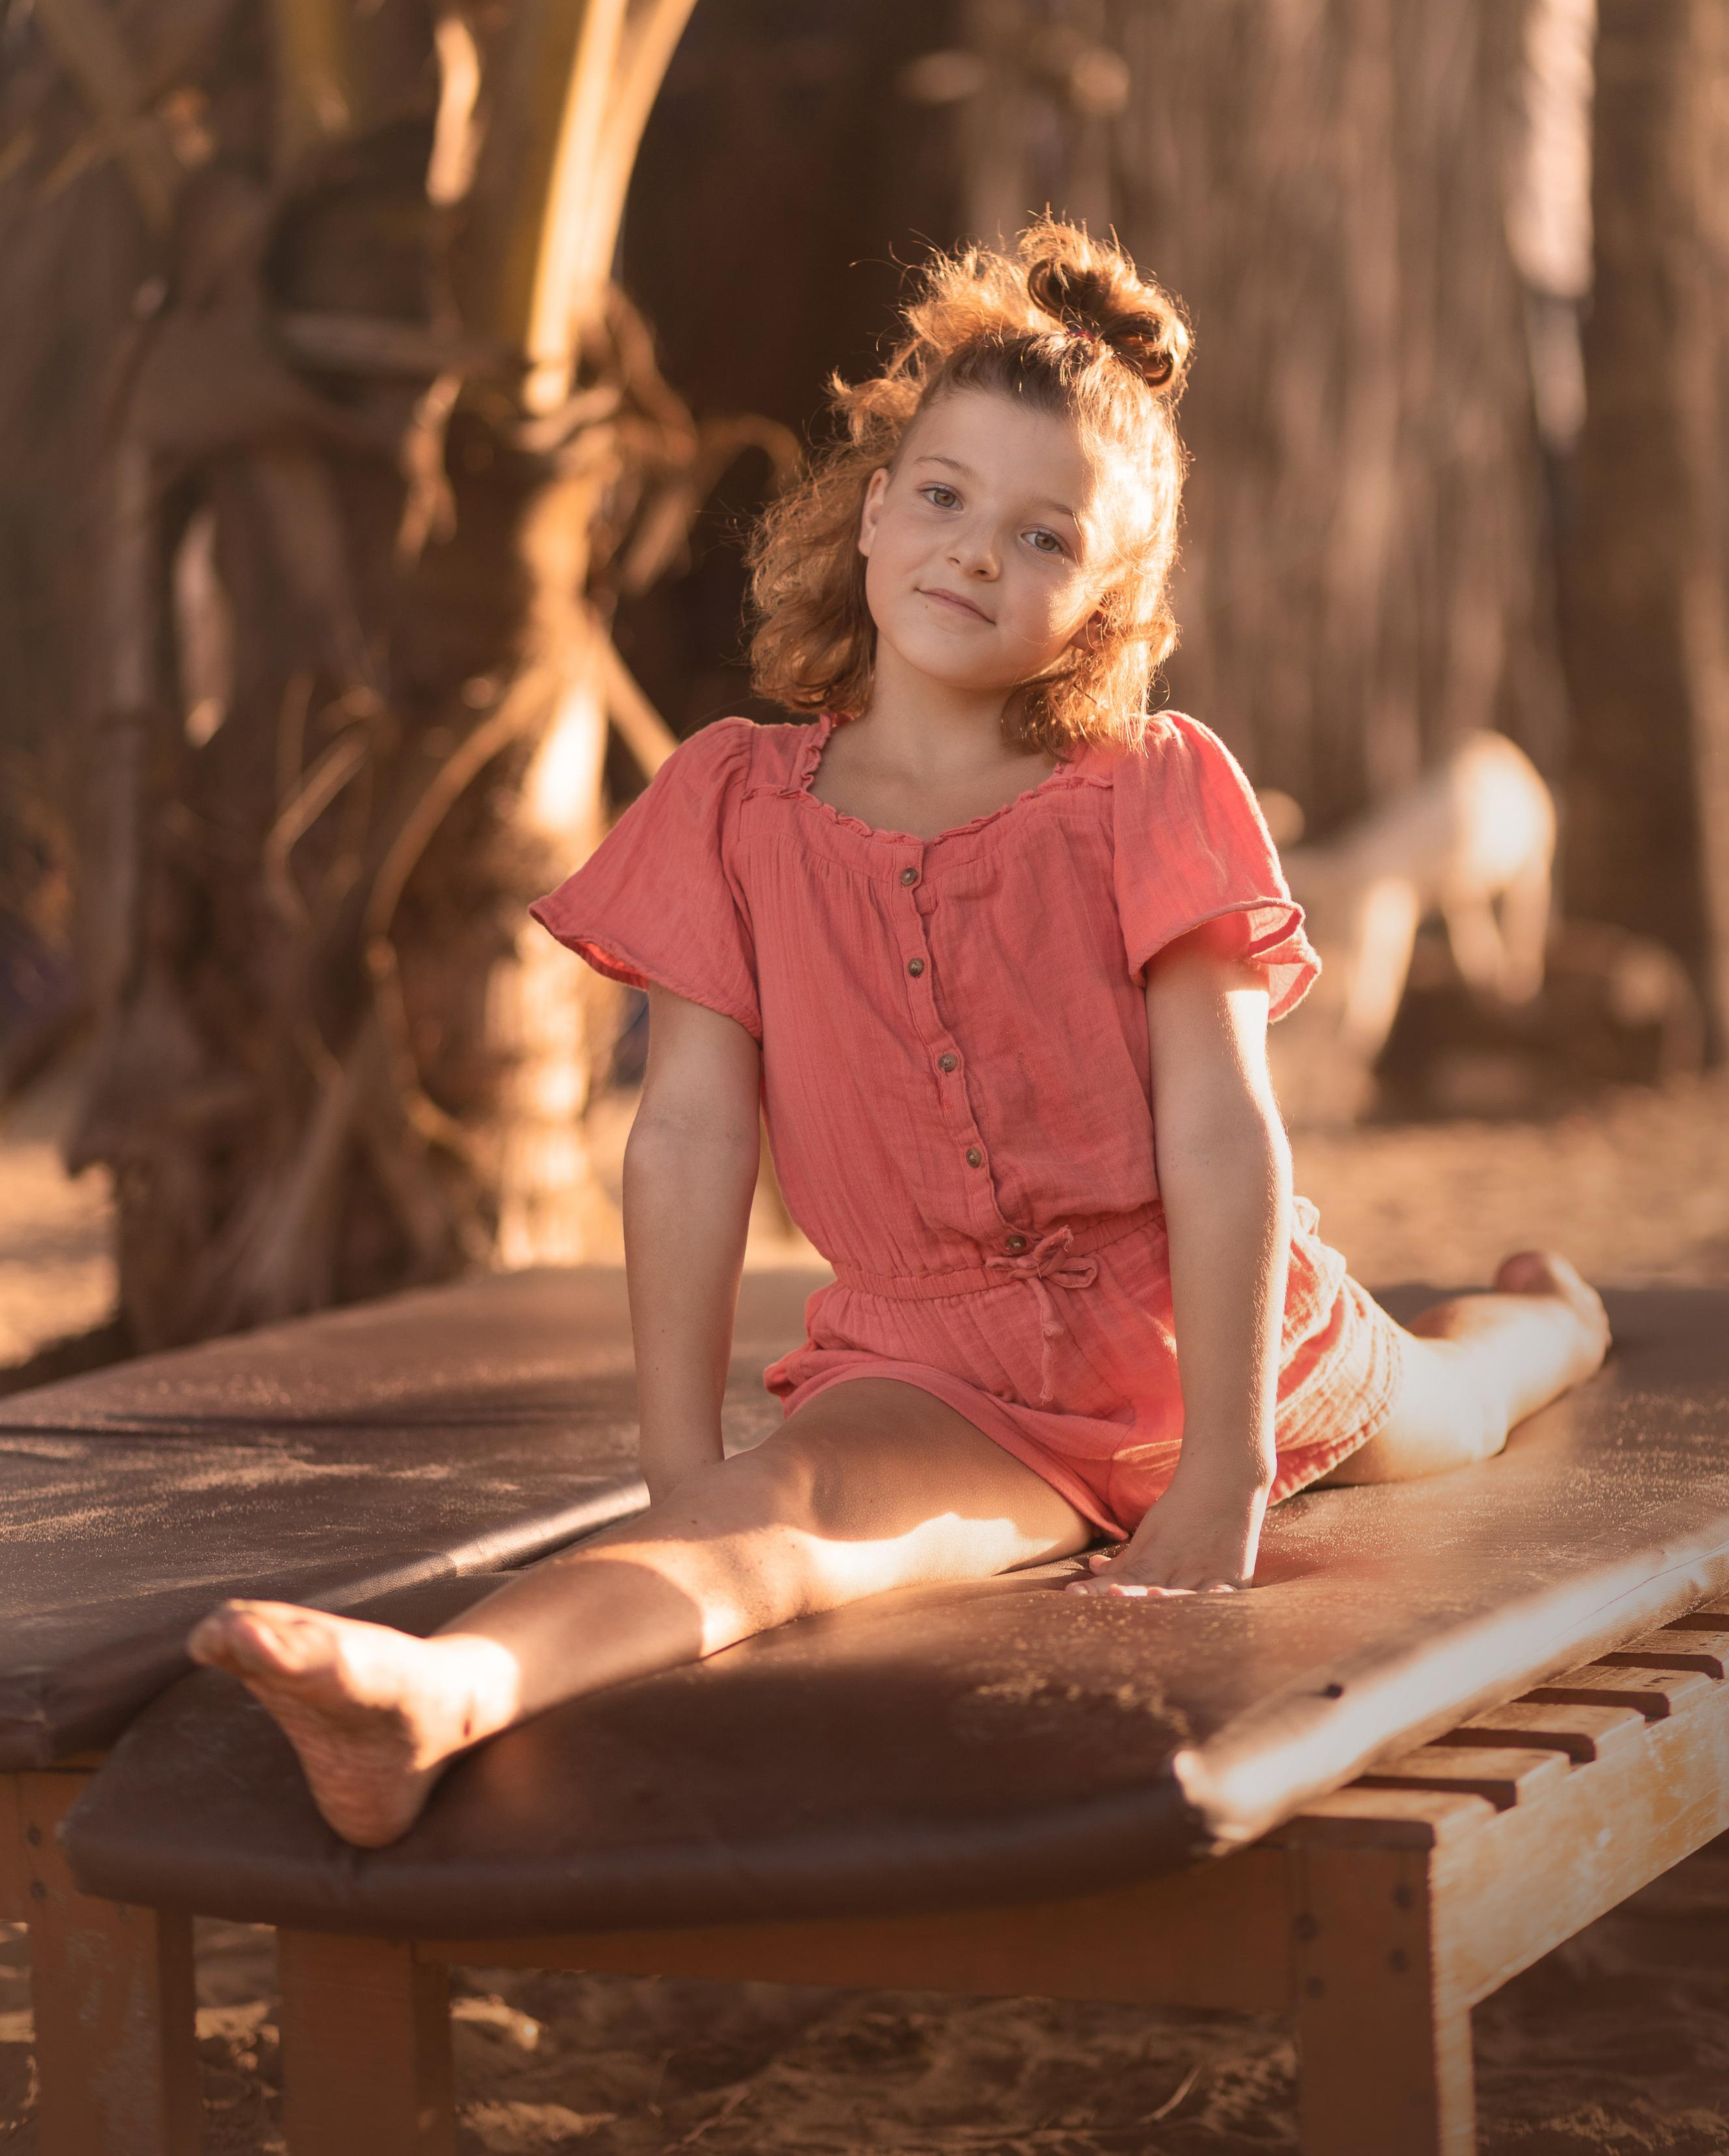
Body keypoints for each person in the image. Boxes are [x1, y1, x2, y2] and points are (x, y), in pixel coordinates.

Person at [190, 222, 1610, 1849]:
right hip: (940, 1371)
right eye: (940, 497)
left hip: (1219, 1342)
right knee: (771, 1519)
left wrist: (1222, 1461)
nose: (973, 553)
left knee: (1454, 1402)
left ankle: (1546, 1322)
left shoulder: (1147, 791)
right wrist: (677, 1461)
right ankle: (432, 1699)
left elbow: (1219, 1128)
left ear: (1101, 602)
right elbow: (688, 1135)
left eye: (1042, 534)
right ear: (872, 512)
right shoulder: (727, 804)